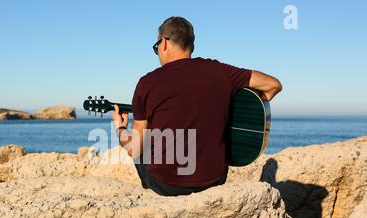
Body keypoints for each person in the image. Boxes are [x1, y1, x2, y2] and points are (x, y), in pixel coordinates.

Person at [113, 16, 282, 197]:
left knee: (144, 145)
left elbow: (134, 149)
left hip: (166, 185)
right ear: (191, 46)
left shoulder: (147, 83)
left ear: (164, 43)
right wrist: (245, 111)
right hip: (215, 180)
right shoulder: (220, 71)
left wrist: (120, 127)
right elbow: (273, 85)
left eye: (156, 47)